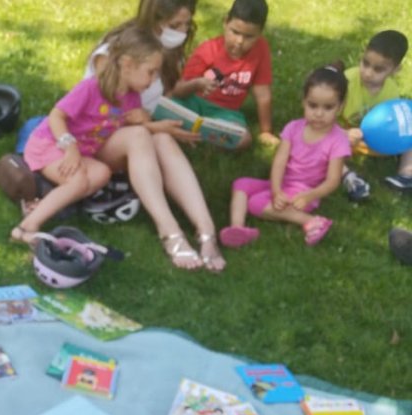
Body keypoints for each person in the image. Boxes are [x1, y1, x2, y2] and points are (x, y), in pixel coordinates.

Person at [12, 26, 224, 272]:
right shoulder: (92, 87)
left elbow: (120, 125)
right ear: (127, 65)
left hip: (88, 148)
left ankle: (204, 231)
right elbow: (57, 115)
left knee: (100, 173)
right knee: (80, 180)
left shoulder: (132, 97)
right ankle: (28, 226)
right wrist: (69, 147)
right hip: (53, 144)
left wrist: (153, 124)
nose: (154, 79)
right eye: (151, 72)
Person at [83, 0, 227, 272]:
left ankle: (206, 230)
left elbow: (159, 98)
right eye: (175, 25)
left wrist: (176, 118)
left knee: (161, 139)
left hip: (139, 135)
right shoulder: (113, 56)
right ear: (154, 19)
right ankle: (169, 231)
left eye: (187, 24)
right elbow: (104, 118)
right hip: (96, 140)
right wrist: (154, 127)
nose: (182, 31)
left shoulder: (165, 51)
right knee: (143, 136)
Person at [219, 65, 352, 248]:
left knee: (256, 203)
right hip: (282, 184)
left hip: (304, 193)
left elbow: (332, 180)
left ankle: (312, 221)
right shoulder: (294, 128)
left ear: (340, 107)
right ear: (303, 102)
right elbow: (279, 162)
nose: (319, 113)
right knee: (241, 184)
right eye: (313, 105)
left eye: (328, 107)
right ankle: (238, 228)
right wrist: (275, 190)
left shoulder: (338, 140)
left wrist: (308, 195)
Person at [170, 0, 278, 149]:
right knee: (165, 105)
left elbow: (263, 94)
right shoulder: (208, 49)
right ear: (225, 22)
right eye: (235, 32)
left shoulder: (261, 50)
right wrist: (197, 84)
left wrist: (266, 131)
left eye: (249, 36)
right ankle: (201, 132)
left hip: (226, 113)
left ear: (260, 33)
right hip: (193, 102)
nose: (239, 41)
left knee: (244, 139)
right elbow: (179, 89)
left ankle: (195, 133)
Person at [338, 30, 412, 200]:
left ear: (395, 70)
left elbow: (393, 122)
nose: (368, 73)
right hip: (346, 138)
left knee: (410, 128)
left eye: (378, 69)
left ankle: (406, 175)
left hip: (378, 144)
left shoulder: (391, 90)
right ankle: (350, 178)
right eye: (365, 63)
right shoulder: (346, 82)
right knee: (321, 143)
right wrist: (344, 134)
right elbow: (326, 120)